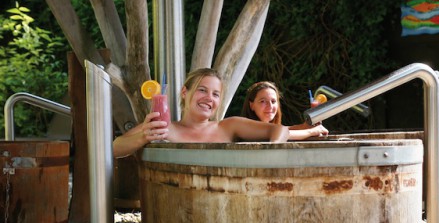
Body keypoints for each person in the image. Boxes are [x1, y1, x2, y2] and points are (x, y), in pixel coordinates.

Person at [113, 68, 289, 158]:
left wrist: (272, 150)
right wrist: (144, 136)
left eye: (215, 94)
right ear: (184, 93)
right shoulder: (166, 129)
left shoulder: (229, 126)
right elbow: (115, 148)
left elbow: (280, 130)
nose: (209, 98)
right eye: (202, 90)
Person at [240, 81, 329, 140]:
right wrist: (313, 131)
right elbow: (283, 133)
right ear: (251, 105)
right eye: (263, 101)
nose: (270, 106)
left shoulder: (268, 128)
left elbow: (286, 129)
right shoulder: (247, 128)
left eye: (273, 101)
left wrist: (305, 126)